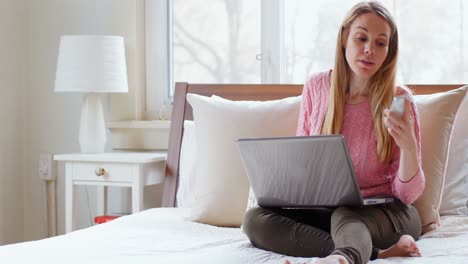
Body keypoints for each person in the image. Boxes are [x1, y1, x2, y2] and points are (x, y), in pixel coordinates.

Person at [242, 2, 425, 264]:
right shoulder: (317, 87)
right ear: (344, 38)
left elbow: (408, 195)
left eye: (381, 43)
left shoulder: (399, 100)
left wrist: (408, 147)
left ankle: (343, 258)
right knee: (255, 219)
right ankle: (375, 253)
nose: (369, 50)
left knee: (346, 216)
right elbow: (303, 159)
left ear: (389, 50)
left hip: (389, 212)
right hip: (329, 210)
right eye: (361, 38)